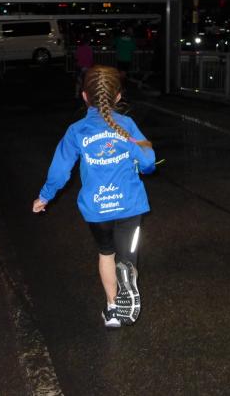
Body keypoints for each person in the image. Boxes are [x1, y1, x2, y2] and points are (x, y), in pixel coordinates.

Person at [32, 65, 155, 328]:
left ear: (85, 96)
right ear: (118, 96)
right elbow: (148, 159)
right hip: (130, 204)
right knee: (127, 255)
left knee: (106, 253)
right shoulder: (128, 125)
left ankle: (113, 309)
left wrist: (44, 197)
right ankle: (128, 273)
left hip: (97, 208)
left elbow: (60, 170)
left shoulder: (76, 130)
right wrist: (144, 167)